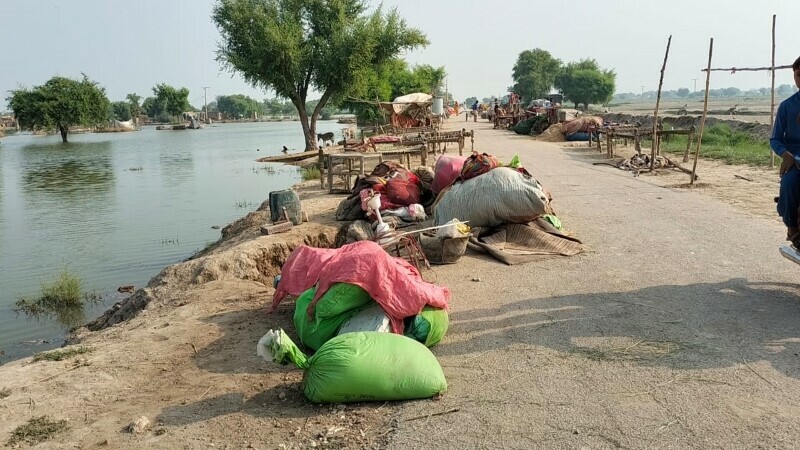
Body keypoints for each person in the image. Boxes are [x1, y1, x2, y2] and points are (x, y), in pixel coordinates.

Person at [772, 56, 800, 246]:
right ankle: (792, 227)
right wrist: (786, 154)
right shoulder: (787, 106)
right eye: (799, 74)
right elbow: (775, 139)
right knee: (789, 183)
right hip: (796, 161)